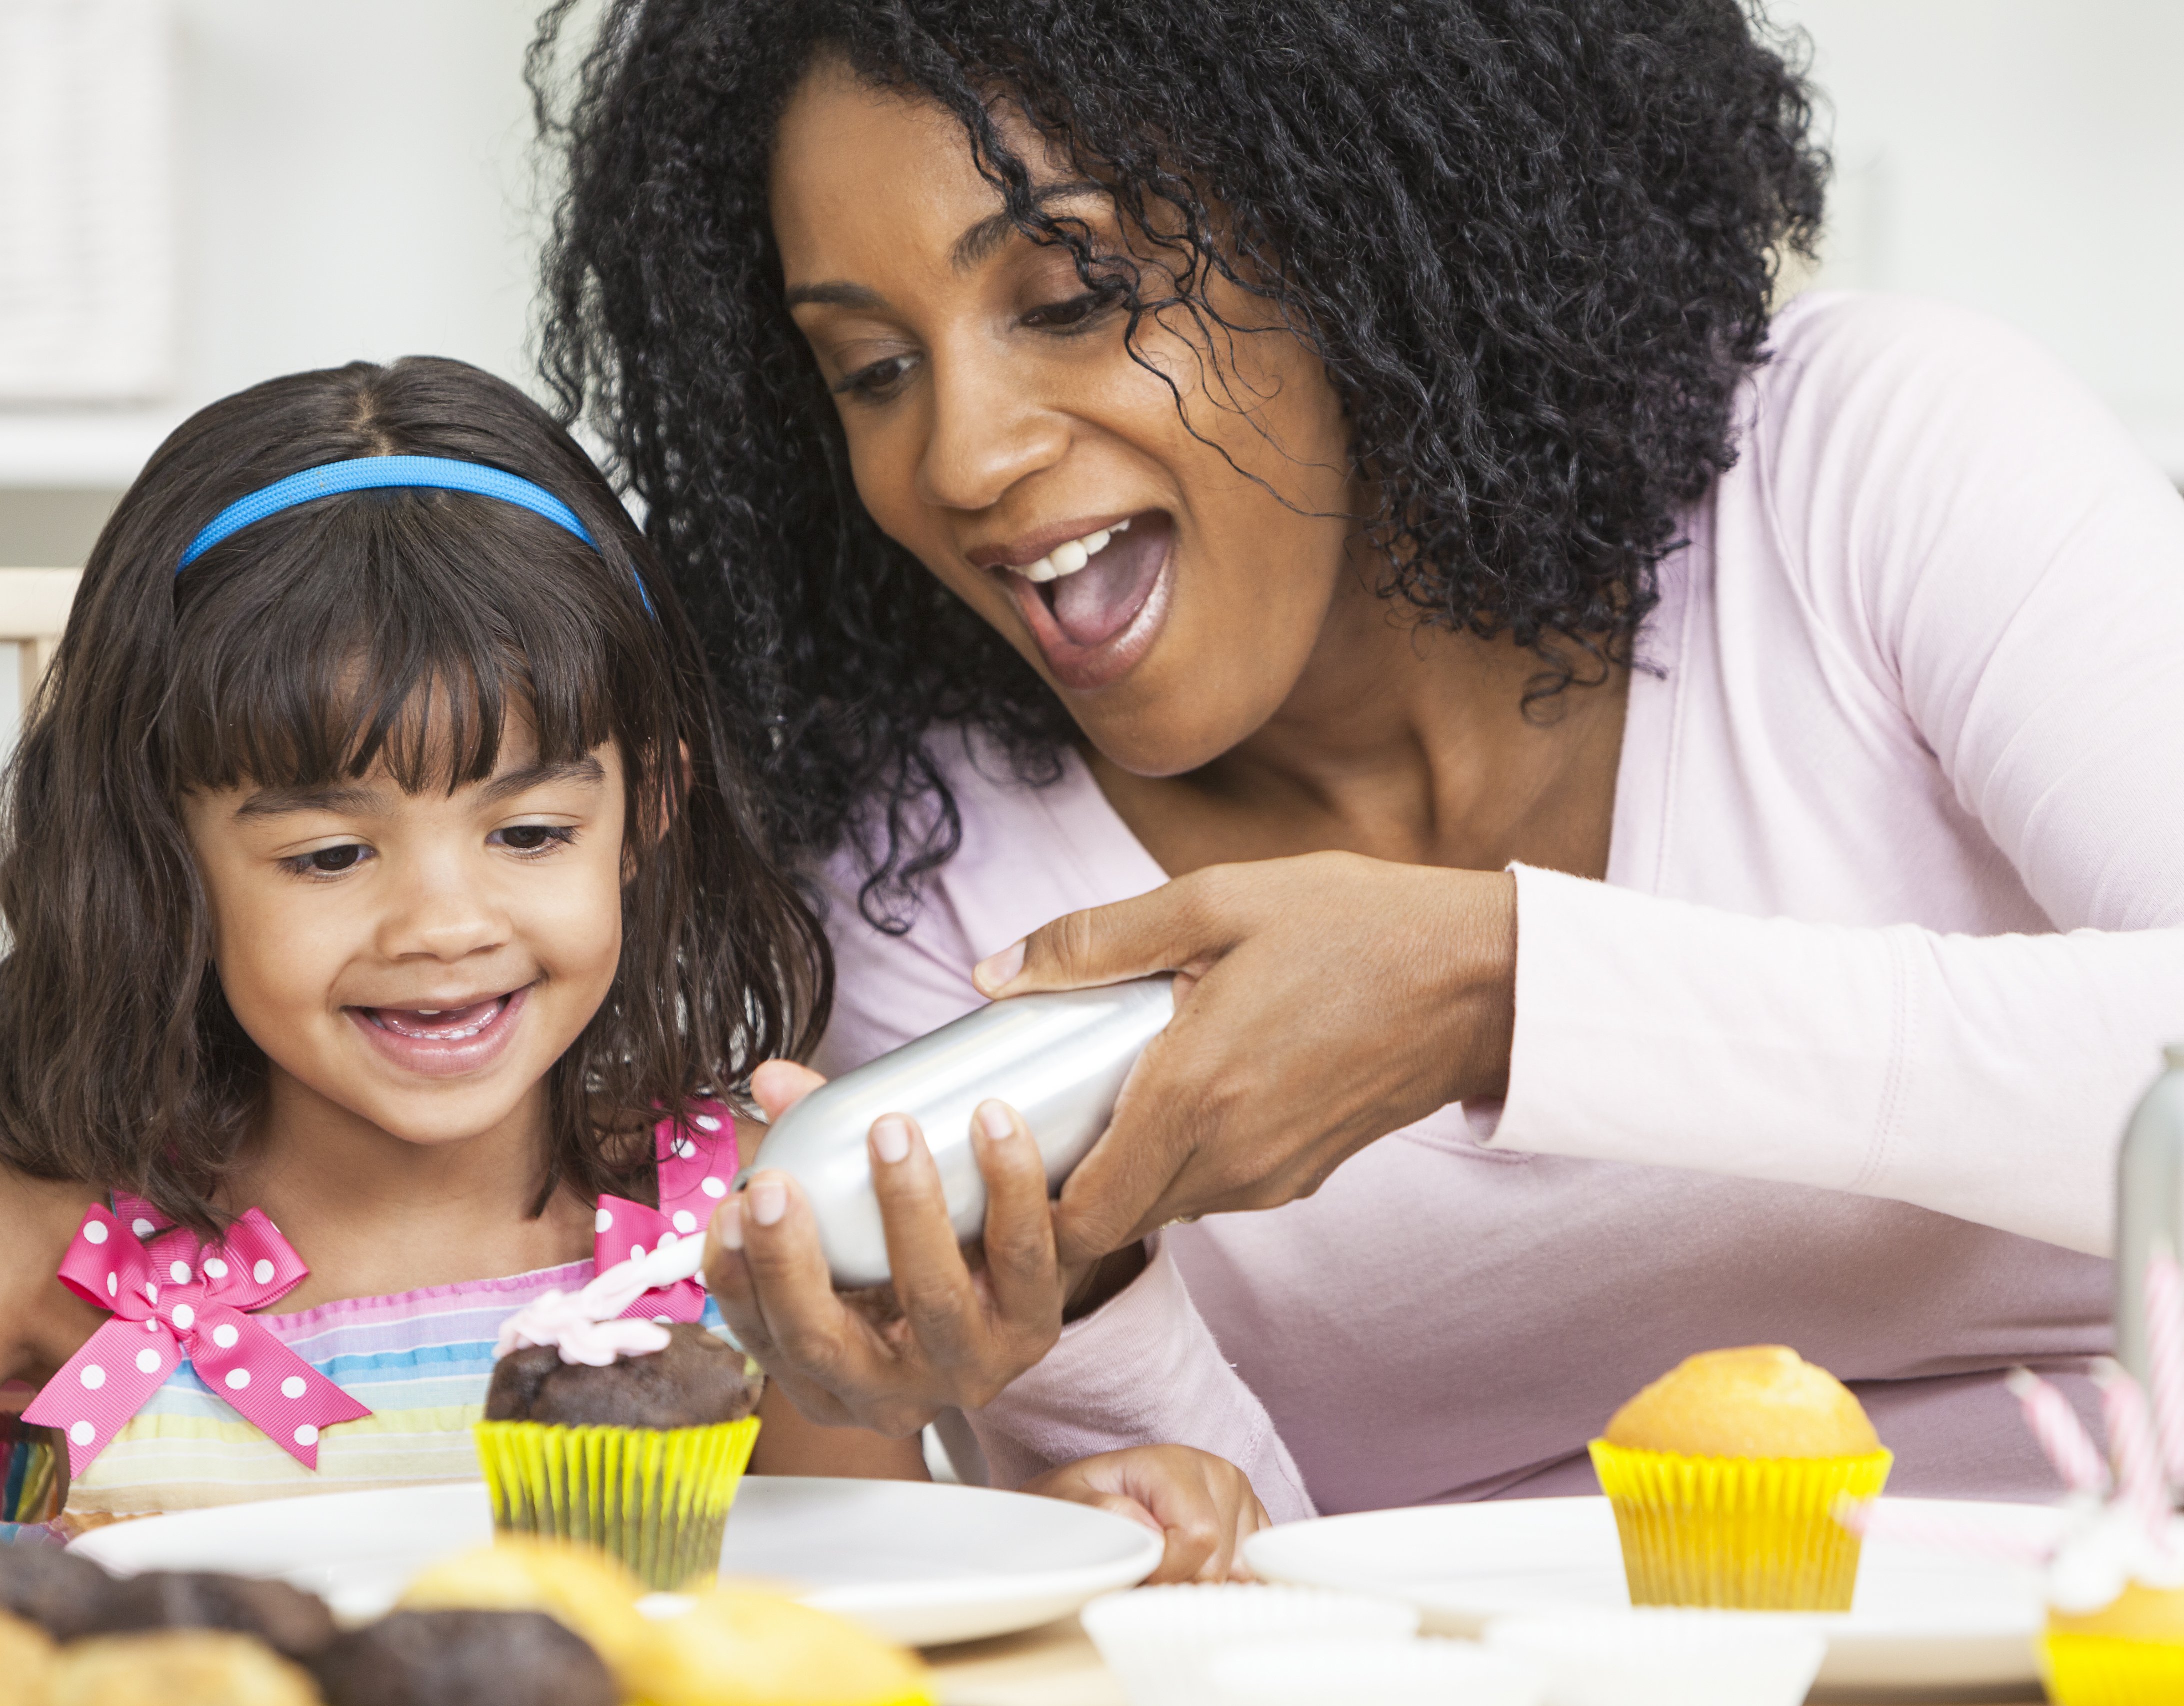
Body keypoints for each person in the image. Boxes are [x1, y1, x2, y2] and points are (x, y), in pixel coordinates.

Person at [532, 0, 2184, 1518]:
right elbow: (1246, 1609)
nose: (963, 454)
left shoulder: (1865, 469)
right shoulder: (933, 886)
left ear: (1355, 233)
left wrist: (1505, 987)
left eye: (1071, 294)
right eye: (874, 371)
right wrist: (1087, 1311)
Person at [0, 357, 1258, 1585]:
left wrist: (1068, 1535)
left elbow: (858, 1601)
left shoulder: (749, 1236)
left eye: (530, 833)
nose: (440, 923)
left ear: (649, 811)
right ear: (163, 850)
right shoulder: (53, 1244)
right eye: (331, 856)